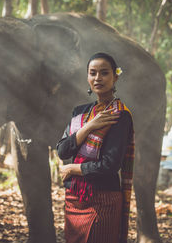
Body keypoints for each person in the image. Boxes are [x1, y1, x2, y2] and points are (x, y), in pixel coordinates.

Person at [56, 52, 135, 243]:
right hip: (74, 198)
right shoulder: (80, 113)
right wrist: (90, 126)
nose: (98, 78)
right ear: (88, 77)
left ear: (115, 77)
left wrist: (72, 168)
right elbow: (63, 150)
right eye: (93, 73)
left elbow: (109, 165)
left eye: (104, 73)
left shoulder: (119, 116)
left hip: (103, 200)